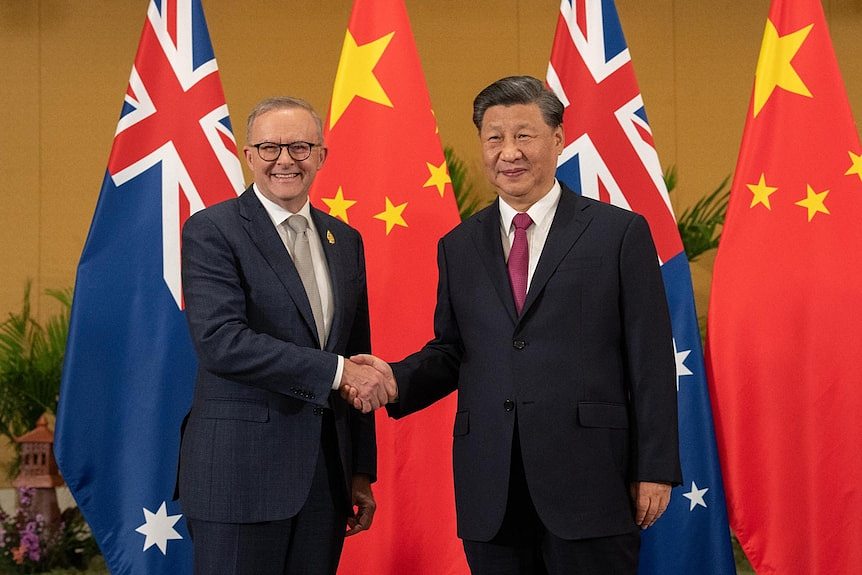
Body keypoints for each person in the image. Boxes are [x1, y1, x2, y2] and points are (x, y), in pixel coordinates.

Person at [349, 76, 682, 574]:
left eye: (524, 135)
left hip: (592, 478)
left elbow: (650, 360)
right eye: (494, 137)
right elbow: (452, 351)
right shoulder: (459, 246)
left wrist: (654, 469)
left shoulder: (619, 234)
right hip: (492, 485)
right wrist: (395, 380)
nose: (510, 152)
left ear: (558, 139)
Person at [176, 96, 395, 575]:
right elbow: (221, 341)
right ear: (249, 155)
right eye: (270, 147)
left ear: (321, 155)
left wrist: (359, 469)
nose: (284, 160)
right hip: (238, 477)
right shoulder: (213, 230)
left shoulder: (345, 240)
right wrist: (337, 372)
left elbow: (356, 354)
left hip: (325, 479)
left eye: (299, 146)